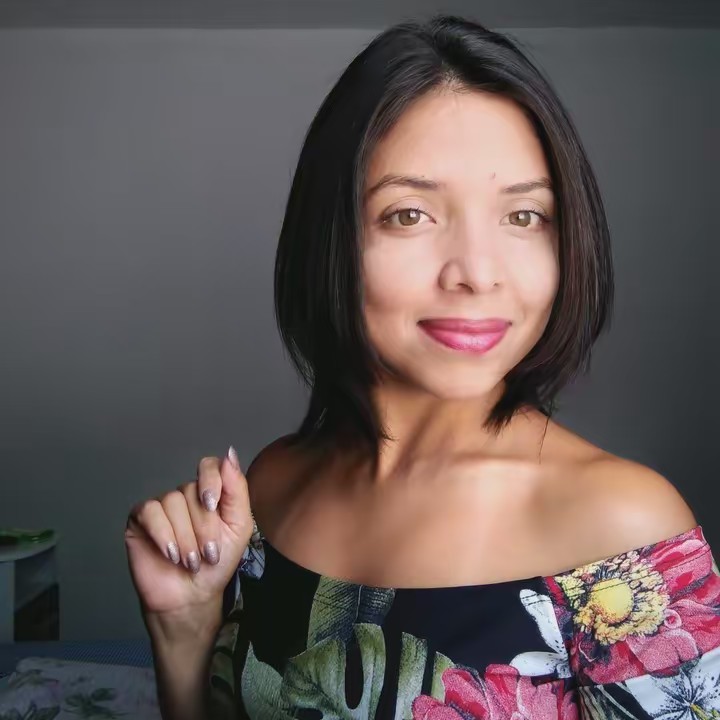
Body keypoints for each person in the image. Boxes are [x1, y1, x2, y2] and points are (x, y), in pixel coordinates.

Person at [125, 15, 720, 720]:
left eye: (524, 216)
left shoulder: (626, 530)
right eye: (409, 215)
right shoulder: (275, 485)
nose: (477, 273)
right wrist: (184, 629)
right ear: (330, 238)